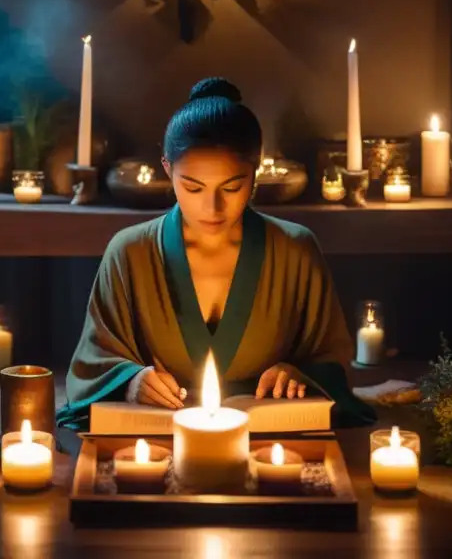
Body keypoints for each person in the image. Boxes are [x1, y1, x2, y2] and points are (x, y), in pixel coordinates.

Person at [55, 77, 375, 430]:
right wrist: (130, 382)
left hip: (272, 437)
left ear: (256, 171)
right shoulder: (130, 252)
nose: (213, 207)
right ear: (167, 169)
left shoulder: (295, 249)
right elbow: (92, 364)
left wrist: (300, 374)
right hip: (156, 439)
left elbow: (332, 360)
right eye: (192, 186)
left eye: (233, 186)